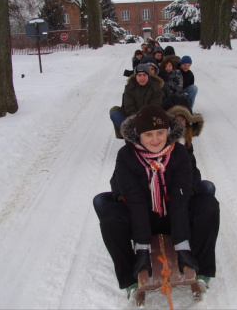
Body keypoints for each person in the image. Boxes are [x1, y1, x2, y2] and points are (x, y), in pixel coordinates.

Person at [94, 104, 220, 298]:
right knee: (110, 215)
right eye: (148, 134)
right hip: (143, 216)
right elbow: (135, 203)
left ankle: (202, 269)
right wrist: (142, 250)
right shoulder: (127, 156)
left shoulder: (178, 153)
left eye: (160, 133)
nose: (155, 140)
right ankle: (130, 279)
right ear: (138, 135)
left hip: (174, 215)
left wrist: (182, 247)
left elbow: (180, 198)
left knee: (208, 205)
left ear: (168, 131)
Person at [167, 105, 215, 196]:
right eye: (178, 119)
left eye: (183, 120)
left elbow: (194, 169)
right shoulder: (164, 142)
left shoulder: (187, 143)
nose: (181, 123)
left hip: (187, 187)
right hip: (172, 189)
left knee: (209, 187)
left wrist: (191, 188)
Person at [109, 64, 163, 136]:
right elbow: (129, 107)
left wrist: (144, 121)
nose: (142, 78)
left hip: (150, 119)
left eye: (144, 75)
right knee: (114, 112)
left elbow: (155, 106)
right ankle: (130, 134)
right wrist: (137, 121)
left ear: (148, 75)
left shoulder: (155, 87)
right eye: (139, 75)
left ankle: (141, 134)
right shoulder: (130, 87)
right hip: (134, 119)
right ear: (135, 76)